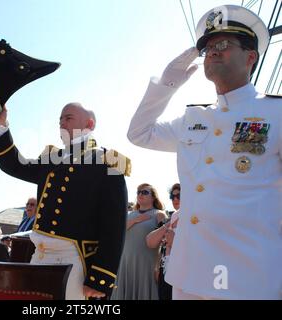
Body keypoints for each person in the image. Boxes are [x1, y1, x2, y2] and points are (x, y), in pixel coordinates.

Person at [128, 5, 281, 299]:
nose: (213, 51)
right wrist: (167, 83)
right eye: (209, 46)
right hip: (189, 272)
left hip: (249, 275)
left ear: (251, 57)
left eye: (223, 44)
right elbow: (139, 133)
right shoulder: (193, 119)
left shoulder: (276, 112)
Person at [0, 101, 129, 299]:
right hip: (39, 256)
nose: (62, 123)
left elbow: (114, 227)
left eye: (68, 118)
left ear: (89, 124)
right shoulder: (52, 159)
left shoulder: (106, 162)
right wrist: (0, 126)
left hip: (75, 261)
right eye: (60, 119)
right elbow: (14, 165)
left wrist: (100, 279)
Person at [111, 184, 167, 300]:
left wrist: (159, 266)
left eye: (145, 192)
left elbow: (164, 242)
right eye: (138, 192)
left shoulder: (159, 215)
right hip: (126, 264)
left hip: (148, 264)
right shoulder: (129, 215)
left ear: (153, 197)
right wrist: (136, 220)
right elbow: (118, 231)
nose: (140, 194)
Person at [146, 183, 181, 300]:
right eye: (172, 196)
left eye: (179, 196)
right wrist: (168, 225)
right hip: (165, 271)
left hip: (183, 271)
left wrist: (174, 242)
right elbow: (150, 242)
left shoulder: (196, 221)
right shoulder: (169, 219)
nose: (175, 199)